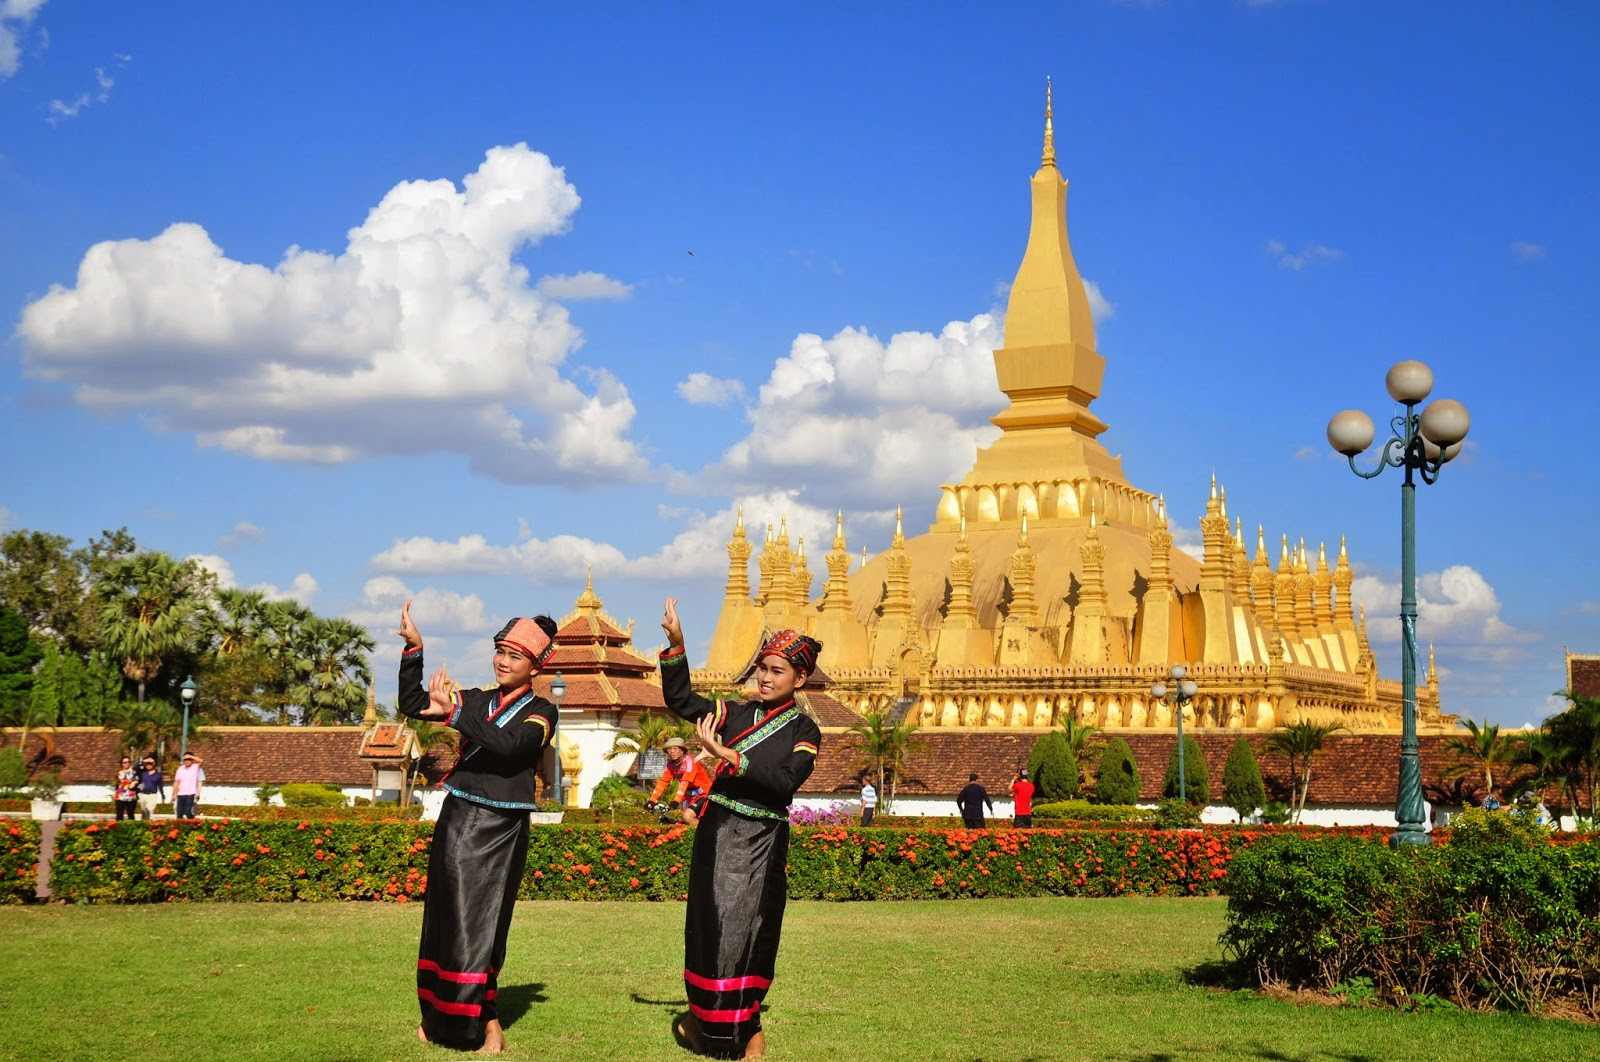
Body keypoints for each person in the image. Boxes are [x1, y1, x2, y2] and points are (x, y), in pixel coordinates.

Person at [659, 597, 823, 1061]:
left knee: (754, 930)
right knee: (711, 927)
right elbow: (681, 701)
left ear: (799, 679)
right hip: (719, 832)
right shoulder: (733, 713)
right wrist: (677, 646)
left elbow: (785, 782)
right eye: (762, 668)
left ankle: (749, 1025)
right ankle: (698, 1019)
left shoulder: (805, 731)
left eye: (777, 671)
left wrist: (729, 755)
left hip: (764, 841)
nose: (765, 677)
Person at [397, 600, 559, 1055]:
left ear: (535, 666)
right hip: (458, 817)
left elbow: (510, 746)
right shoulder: (474, 700)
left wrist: (455, 715)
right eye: (500, 652)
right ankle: (437, 1016)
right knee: (445, 916)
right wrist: (414, 650)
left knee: (482, 923)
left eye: (515, 656)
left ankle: (487, 1022)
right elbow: (412, 704)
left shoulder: (543, 711)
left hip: (501, 827)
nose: (503, 662)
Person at [647, 736, 714, 826]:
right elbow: (663, 782)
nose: (672, 751)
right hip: (689, 796)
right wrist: (652, 800)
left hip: (704, 794)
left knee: (687, 817)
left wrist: (676, 801)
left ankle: (708, 831)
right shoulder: (671, 765)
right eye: (669, 749)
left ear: (682, 750)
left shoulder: (690, 762)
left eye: (675, 748)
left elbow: (684, 782)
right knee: (682, 822)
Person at [172, 752, 205, 818]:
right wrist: (174, 794)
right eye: (185, 759)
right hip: (181, 794)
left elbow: (201, 761)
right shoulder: (180, 769)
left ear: (192, 760)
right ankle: (180, 824)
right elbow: (177, 782)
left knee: (188, 812)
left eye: (189, 759)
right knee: (179, 813)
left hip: (190, 793)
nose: (187, 761)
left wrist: (190, 756)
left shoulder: (195, 767)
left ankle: (192, 822)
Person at [113, 756, 138, 821]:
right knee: (119, 814)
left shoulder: (134, 772)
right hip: (121, 795)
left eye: (128, 762)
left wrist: (135, 782)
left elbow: (138, 780)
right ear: (122, 764)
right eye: (125, 762)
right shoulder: (119, 773)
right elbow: (121, 781)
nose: (127, 764)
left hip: (131, 795)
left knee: (131, 814)